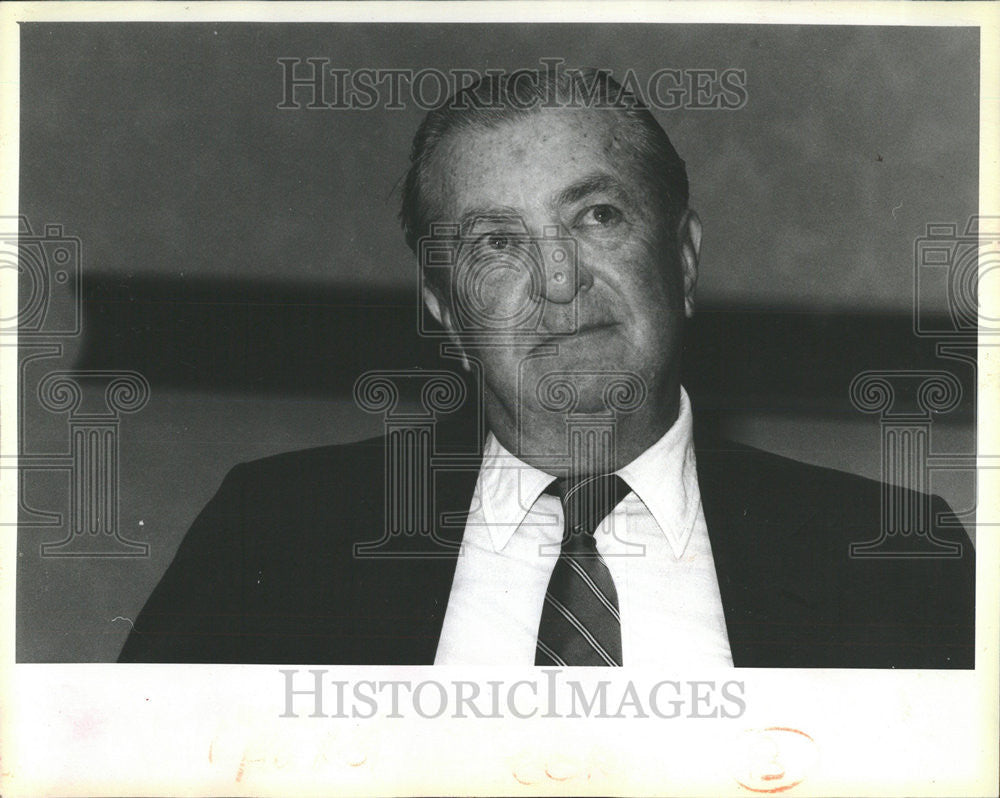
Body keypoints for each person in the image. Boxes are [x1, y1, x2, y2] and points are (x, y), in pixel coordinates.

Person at [119, 68, 974, 668]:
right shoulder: (269, 536)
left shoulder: (899, 560)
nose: (559, 284)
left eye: (597, 215)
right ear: (446, 310)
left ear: (682, 258)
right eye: (497, 243)